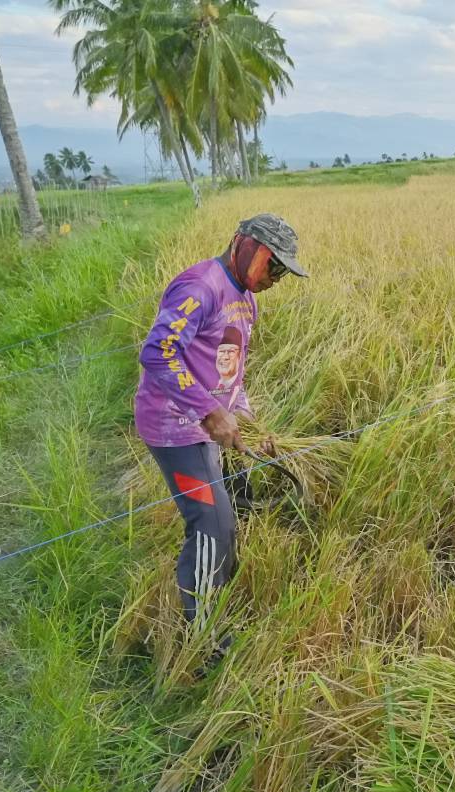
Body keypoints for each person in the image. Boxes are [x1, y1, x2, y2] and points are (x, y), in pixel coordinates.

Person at [134, 213, 307, 663]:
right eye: (274, 265)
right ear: (245, 247)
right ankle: (200, 640)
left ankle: (214, 603)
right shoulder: (201, 287)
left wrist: (245, 421)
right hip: (174, 429)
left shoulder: (245, 299)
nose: (276, 278)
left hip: (204, 427)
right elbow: (157, 351)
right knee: (212, 526)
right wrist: (209, 411)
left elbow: (230, 370)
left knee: (231, 514)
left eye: (283, 272)